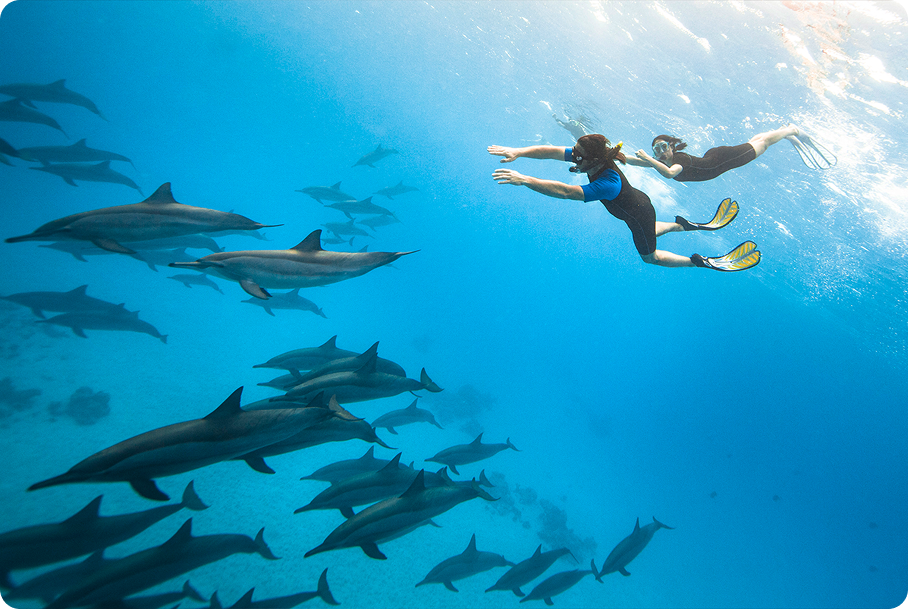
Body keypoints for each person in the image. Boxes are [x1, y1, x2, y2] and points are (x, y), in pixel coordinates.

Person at [488, 134, 760, 271]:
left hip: (638, 212)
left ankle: (699, 261)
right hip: (640, 207)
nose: (573, 156)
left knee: (649, 257)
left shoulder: (609, 182)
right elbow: (551, 151)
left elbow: (568, 192)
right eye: (575, 152)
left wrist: (524, 179)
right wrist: (518, 152)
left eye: (578, 155)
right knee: (649, 229)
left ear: (593, 159)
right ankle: (683, 225)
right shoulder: (590, 157)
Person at [627, 125, 836, 182]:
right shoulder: (661, 163)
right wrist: (613, 155)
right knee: (755, 142)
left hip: (722, 159)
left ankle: (792, 130)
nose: (661, 152)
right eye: (657, 150)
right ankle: (783, 133)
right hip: (714, 157)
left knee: (761, 144)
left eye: (664, 146)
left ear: (672, 147)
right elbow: (636, 162)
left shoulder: (678, 160)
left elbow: (671, 173)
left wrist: (648, 157)